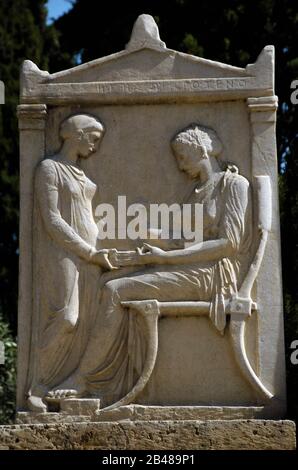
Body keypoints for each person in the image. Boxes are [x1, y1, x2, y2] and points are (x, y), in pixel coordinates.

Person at [47, 123, 252, 408]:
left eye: (182, 156)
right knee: (119, 280)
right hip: (189, 269)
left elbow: (228, 244)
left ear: (201, 150)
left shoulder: (234, 184)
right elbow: (184, 242)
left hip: (213, 276)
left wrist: (165, 258)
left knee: (116, 290)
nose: (180, 166)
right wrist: (154, 240)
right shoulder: (195, 193)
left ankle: (82, 380)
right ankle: (102, 380)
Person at [27, 114, 116, 412]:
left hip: (91, 255)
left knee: (85, 322)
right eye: (92, 138)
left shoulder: (80, 173)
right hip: (64, 252)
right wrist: (87, 252)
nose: (95, 145)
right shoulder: (49, 168)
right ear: (75, 134)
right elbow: (52, 219)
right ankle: (37, 385)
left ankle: (65, 387)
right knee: (66, 317)